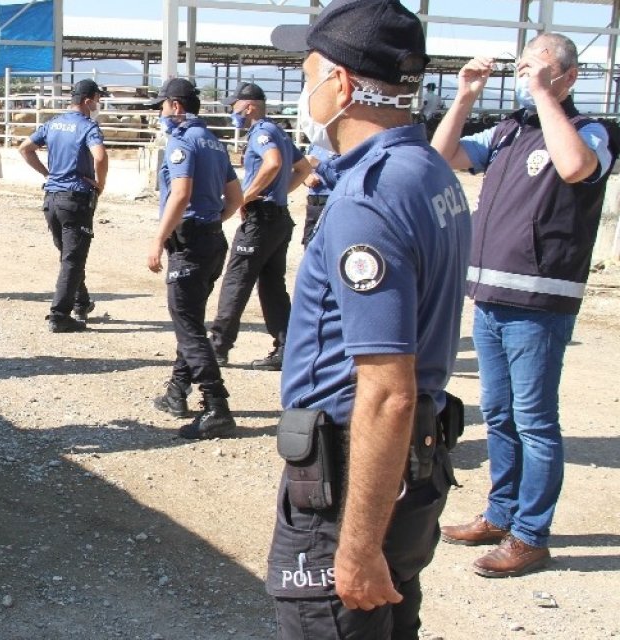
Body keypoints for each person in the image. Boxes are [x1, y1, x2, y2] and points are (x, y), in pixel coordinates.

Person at [266, 1, 471, 636]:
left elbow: (386, 393)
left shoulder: (369, 197)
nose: (306, 93)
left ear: (342, 84)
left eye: (307, 79)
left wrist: (355, 548)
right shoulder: (426, 169)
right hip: (407, 471)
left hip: (351, 482)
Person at [432, 33, 614, 578]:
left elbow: (576, 167)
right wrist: (464, 95)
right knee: (503, 416)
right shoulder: (511, 130)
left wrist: (543, 97)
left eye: (540, 68)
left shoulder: (588, 130)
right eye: (523, 67)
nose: (526, 75)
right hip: (489, 295)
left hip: (540, 299)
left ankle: (531, 534)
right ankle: (500, 513)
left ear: (568, 77)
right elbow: (442, 157)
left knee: (535, 420)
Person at [144, 77, 244, 439]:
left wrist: (159, 239)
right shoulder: (216, 144)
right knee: (192, 321)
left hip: (188, 242)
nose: (161, 115)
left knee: (188, 328)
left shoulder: (182, 142)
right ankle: (176, 393)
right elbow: (235, 198)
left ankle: (217, 406)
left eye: (163, 107)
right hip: (212, 240)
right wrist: (212, 222)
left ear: (176, 106)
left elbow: (181, 193)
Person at [209, 82, 311, 371]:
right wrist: (278, 194)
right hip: (278, 217)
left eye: (235, 107)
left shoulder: (262, 132)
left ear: (249, 106)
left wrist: (246, 196)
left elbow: (273, 163)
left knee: (236, 280)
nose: (233, 112)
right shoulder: (279, 130)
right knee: (272, 285)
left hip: (260, 220)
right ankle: (286, 347)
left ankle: (218, 347)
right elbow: (303, 169)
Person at [18, 79, 110, 333]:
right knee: (73, 258)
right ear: (88, 100)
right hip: (76, 198)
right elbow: (100, 156)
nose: (98, 103)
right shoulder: (88, 127)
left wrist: (47, 174)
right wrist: (100, 184)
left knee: (68, 255)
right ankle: (59, 315)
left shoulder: (52, 123)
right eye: (97, 99)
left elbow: (25, 149)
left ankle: (81, 302)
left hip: (52, 199)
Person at [300, 145, 337, 247]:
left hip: (332, 200)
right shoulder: (314, 145)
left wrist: (318, 164)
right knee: (309, 244)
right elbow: (302, 168)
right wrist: (305, 177)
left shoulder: (342, 145)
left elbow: (344, 175)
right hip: (313, 202)